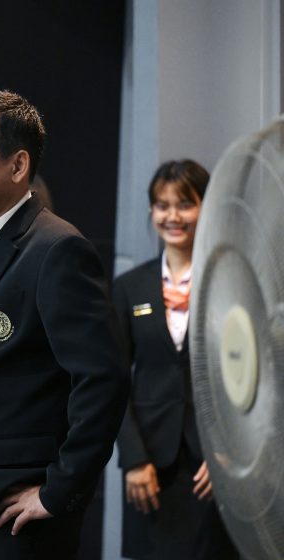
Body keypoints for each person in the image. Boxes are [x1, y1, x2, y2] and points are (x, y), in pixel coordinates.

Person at [0, 89, 129, 559]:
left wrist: (59, 492)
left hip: (15, 517)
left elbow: (103, 380)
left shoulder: (57, 249)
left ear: (18, 166)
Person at [114, 160, 238, 559]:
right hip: (150, 468)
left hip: (213, 467)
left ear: (205, 207)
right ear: (151, 211)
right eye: (162, 205)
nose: (172, 216)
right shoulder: (129, 288)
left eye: (185, 204)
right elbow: (113, 382)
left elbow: (253, 379)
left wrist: (228, 453)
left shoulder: (231, 282)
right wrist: (133, 459)